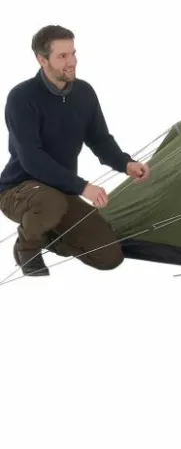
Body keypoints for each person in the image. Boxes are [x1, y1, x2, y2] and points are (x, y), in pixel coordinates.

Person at [0, 25, 150, 277]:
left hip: (60, 190)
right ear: (42, 60)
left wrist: (126, 164)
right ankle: (27, 248)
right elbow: (31, 159)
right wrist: (83, 187)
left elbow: (100, 139)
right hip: (18, 189)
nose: (72, 62)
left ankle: (43, 232)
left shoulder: (84, 93)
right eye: (62, 56)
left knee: (109, 256)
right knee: (51, 203)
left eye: (73, 53)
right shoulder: (21, 97)